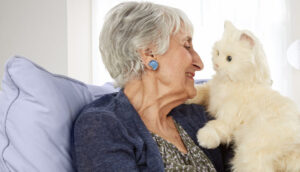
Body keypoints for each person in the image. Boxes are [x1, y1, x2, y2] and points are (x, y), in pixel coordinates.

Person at [72, 1, 228, 172]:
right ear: (148, 53)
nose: (199, 63)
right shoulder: (103, 124)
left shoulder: (198, 115)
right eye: (187, 46)